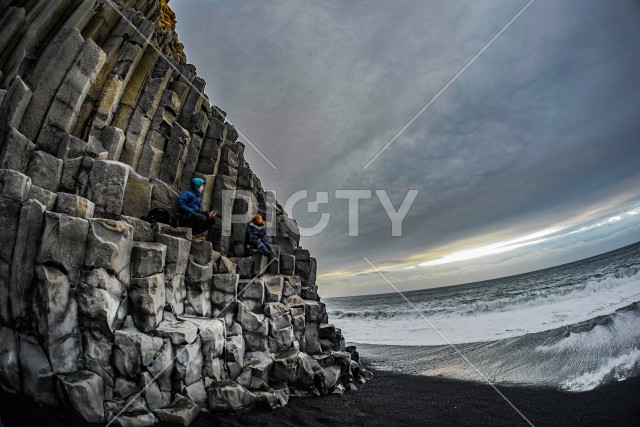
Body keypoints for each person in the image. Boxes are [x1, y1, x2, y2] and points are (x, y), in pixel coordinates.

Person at [177, 177, 217, 242]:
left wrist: (207, 214)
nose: (203, 188)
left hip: (193, 216)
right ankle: (190, 232)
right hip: (185, 217)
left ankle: (194, 233)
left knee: (211, 220)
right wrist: (191, 211)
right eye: (201, 186)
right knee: (201, 217)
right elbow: (180, 204)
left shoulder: (198, 197)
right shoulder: (187, 193)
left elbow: (197, 210)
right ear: (197, 186)